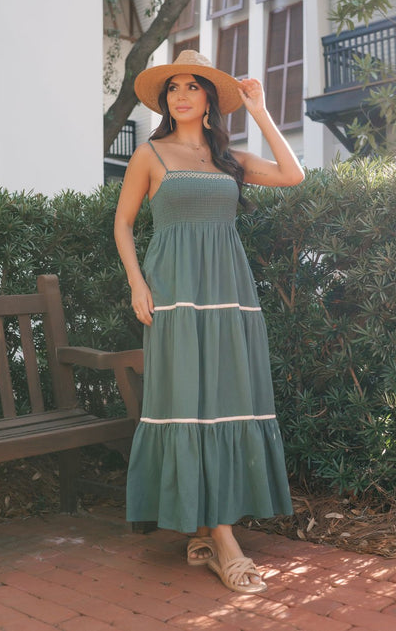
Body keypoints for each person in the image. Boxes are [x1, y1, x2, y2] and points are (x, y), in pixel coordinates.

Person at [114, 50, 304, 594]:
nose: (181, 95)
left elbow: (293, 174)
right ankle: (223, 539)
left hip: (229, 294)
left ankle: (204, 528)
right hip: (175, 295)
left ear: (208, 99)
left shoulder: (230, 159)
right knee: (185, 402)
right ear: (165, 100)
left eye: (192, 87)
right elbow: (123, 225)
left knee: (225, 399)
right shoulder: (150, 154)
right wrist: (137, 284)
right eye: (173, 87)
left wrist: (260, 111)